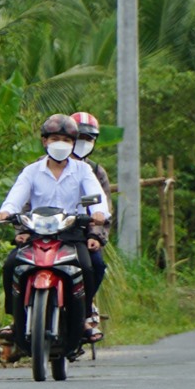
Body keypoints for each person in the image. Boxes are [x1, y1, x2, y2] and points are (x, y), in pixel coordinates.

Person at [0, 113, 109, 343]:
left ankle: (85, 317)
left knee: (90, 266)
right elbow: (17, 197)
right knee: (11, 266)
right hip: (37, 232)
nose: (60, 144)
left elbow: (97, 198)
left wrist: (98, 214)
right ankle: (16, 320)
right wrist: (6, 211)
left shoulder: (83, 171)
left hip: (72, 233)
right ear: (44, 140)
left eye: (66, 140)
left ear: (73, 143)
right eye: (55, 138)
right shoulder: (32, 171)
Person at [68, 110, 111, 304]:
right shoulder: (41, 165)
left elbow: (103, 205)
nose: (83, 142)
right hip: (46, 229)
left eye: (88, 138)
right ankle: (21, 318)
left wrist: (95, 234)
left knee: (95, 265)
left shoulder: (94, 171)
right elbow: (27, 200)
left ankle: (86, 309)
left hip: (82, 232)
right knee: (17, 264)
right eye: (79, 137)